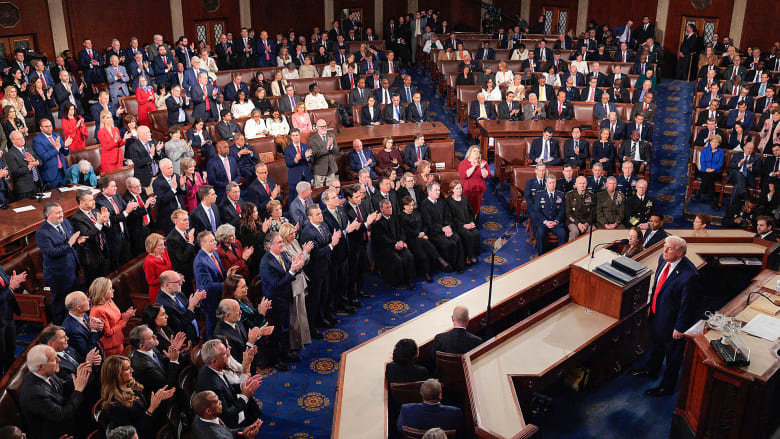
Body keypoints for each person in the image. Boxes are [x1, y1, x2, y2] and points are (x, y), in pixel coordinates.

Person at [631, 236, 701, 396]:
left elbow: (689, 305)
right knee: (655, 346)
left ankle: (667, 387)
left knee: (672, 357)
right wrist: (651, 306)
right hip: (658, 314)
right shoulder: (663, 260)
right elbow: (657, 287)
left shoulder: (689, 275)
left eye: (669, 248)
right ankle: (651, 370)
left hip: (673, 323)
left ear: (680, 253)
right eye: (665, 246)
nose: (665, 250)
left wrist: (680, 328)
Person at [19, 344, 91, 439]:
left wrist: (78, 379)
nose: (59, 361)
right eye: (53, 360)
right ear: (41, 366)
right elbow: (62, 415)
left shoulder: (44, 372)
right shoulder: (35, 394)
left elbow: (61, 386)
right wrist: (78, 390)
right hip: (55, 432)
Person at [100, 355, 174, 437]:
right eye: (127, 369)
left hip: (152, 426)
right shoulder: (114, 406)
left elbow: (144, 408)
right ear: (116, 374)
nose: (132, 370)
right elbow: (136, 434)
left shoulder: (131, 385)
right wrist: (151, 409)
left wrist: (158, 398)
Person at [194, 231, 239, 337]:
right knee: (213, 328)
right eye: (212, 241)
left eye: (214, 240)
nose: (216, 242)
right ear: (203, 244)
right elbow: (208, 287)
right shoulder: (200, 261)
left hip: (219, 296)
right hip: (211, 301)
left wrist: (228, 273)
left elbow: (219, 272)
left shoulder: (214, 253)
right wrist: (228, 284)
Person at [397, 379, 463, 436]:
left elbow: (400, 429)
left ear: (421, 394)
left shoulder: (406, 409)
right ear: (440, 396)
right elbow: (461, 434)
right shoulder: (455, 413)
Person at [88, 276, 135, 356]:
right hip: (110, 348)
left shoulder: (109, 301)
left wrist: (126, 315)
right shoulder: (98, 310)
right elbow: (108, 333)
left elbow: (116, 318)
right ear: (102, 291)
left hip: (119, 342)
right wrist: (124, 321)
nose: (113, 290)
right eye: (110, 288)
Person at [155, 270, 204, 343]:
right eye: (177, 282)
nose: (181, 283)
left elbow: (190, 311)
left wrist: (196, 303)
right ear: (167, 285)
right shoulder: (163, 305)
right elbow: (179, 327)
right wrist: (191, 306)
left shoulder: (177, 293)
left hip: (194, 333)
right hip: (185, 342)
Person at [190, 390, 264, 438]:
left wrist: (244, 431)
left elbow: (226, 431)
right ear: (208, 411)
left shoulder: (199, 416)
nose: (220, 402)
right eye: (216, 402)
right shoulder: (217, 436)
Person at [446, 181, 481, 265]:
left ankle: (472, 254)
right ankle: (468, 256)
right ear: (452, 190)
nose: (459, 190)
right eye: (457, 188)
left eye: (460, 188)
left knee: (476, 233)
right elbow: (451, 218)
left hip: (468, 223)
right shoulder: (449, 201)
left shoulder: (465, 198)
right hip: (458, 225)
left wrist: (472, 222)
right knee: (468, 235)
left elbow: (471, 212)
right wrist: (463, 225)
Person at [33, 118, 71, 188]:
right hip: (50, 174)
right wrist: (56, 149)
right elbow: (43, 156)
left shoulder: (56, 135)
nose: (49, 128)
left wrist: (65, 146)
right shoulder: (37, 140)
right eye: (46, 126)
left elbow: (65, 153)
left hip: (62, 172)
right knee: (53, 197)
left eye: (50, 126)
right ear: (41, 128)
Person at [458, 146, 490, 215]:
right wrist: (473, 167)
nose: (476, 153)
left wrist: (482, 168)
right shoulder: (463, 163)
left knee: (476, 208)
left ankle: (475, 222)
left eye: (478, 152)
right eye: (474, 151)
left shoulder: (483, 163)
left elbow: (486, 176)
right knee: (466, 207)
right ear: (469, 153)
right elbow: (464, 175)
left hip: (478, 189)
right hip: (466, 189)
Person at [142, 233, 172, 303]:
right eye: (160, 245)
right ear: (152, 247)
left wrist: (176, 276)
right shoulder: (149, 261)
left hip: (169, 287)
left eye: (163, 244)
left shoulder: (164, 252)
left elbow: (170, 269)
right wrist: (167, 278)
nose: (164, 247)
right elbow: (151, 281)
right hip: (158, 293)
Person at [565, 176, 595, 242]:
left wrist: (586, 223)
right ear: (576, 184)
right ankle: (572, 251)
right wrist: (578, 223)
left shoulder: (591, 195)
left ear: (586, 184)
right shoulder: (569, 195)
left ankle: (591, 251)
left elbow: (593, 213)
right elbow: (568, 213)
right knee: (574, 232)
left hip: (587, 222)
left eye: (584, 183)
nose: (582, 185)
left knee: (593, 231)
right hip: (573, 222)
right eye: (580, 183)